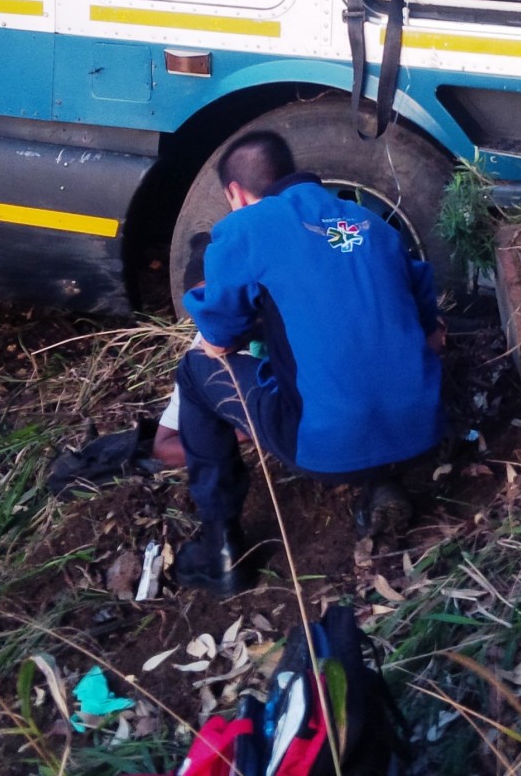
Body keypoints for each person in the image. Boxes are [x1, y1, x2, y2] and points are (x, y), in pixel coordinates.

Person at [172, 129, 444, 595]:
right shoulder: (371, 225)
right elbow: (433, 336)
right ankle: (382, 483)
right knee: (367, 349)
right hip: (425, 434)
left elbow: (217, 338)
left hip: (323, 447)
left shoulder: (247, 228)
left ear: (235, 193)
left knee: (194, 373)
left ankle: (220, 551)